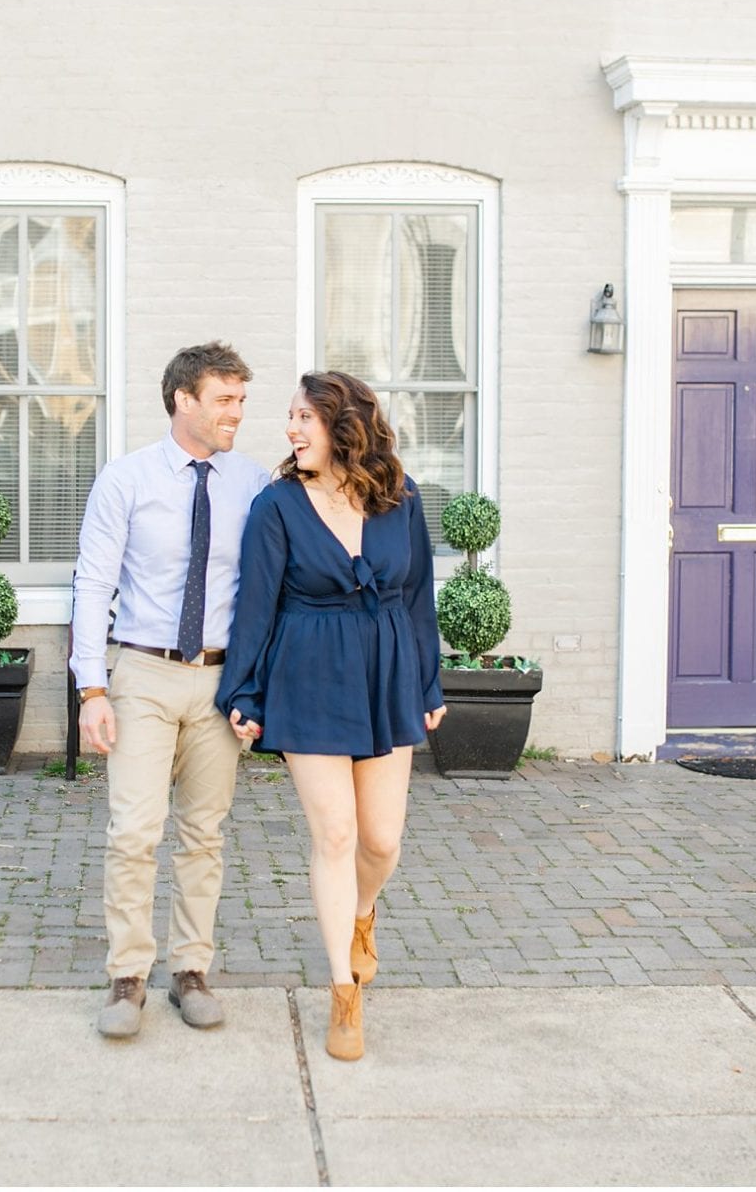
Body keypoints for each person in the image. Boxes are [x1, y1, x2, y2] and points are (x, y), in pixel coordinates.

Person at [215, 370, 446, 1062]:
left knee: (381, 840)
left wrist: (429, 685)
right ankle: (344, 996)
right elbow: (255, 606)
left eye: (303, 418)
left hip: (387, 677)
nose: (290, 430)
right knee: (336, 835)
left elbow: (418, 599)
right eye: (289, 418)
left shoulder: (400, 501)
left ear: (344, 426)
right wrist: (243, 693)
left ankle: (362, 915)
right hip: (309, 678)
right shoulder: (277, 506)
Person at [71, 341, 269, 1039]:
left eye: (241, 401)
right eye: (224, 400)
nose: (236, 414)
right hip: (144, 674)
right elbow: (93, 585)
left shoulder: (253, 483)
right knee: (134, 831)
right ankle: (127, 977)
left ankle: (191, 970)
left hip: (220, 680)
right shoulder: (125, 480)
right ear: (183, 399)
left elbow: (266, 589)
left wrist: (258, 691)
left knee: (204, 834)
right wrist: (92, 688)